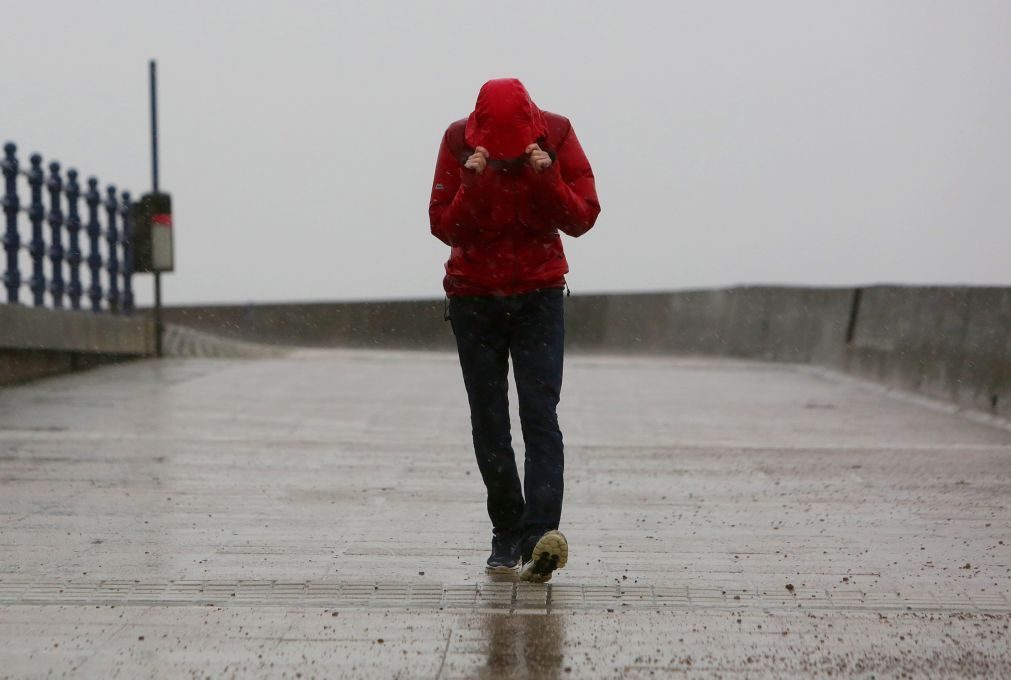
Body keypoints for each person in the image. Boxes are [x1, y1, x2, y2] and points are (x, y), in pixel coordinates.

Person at [428, 78, 600, 582]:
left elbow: (582, 217)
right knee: (490, 420)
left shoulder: (559, 135)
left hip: (539, 298)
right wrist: (473, 181)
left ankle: (540, 535)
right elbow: (445, 226)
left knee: (539, 414)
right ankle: (506, 533)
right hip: (473, 298)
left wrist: (546, 178)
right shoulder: (458, 140)